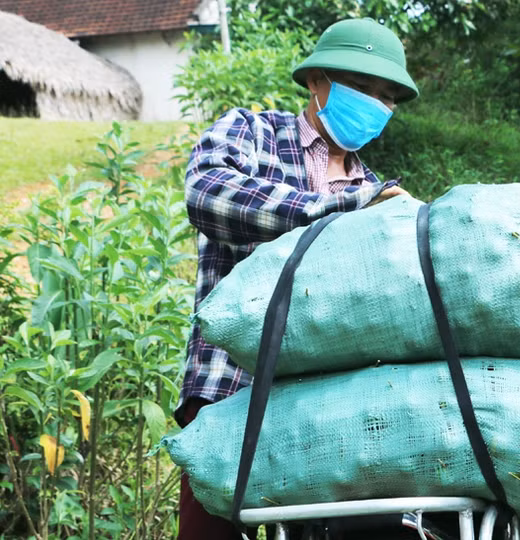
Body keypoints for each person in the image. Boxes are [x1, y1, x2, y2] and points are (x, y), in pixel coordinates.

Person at [176, 17, 419, 540]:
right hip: (230, 384)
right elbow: (208, 193)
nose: (376, 104)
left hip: (329, 406)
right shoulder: (253, 133)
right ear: (317, 82)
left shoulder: (376, 190)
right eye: (363, 88)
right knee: (209, 530)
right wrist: (335, 208)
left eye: (387, 96)